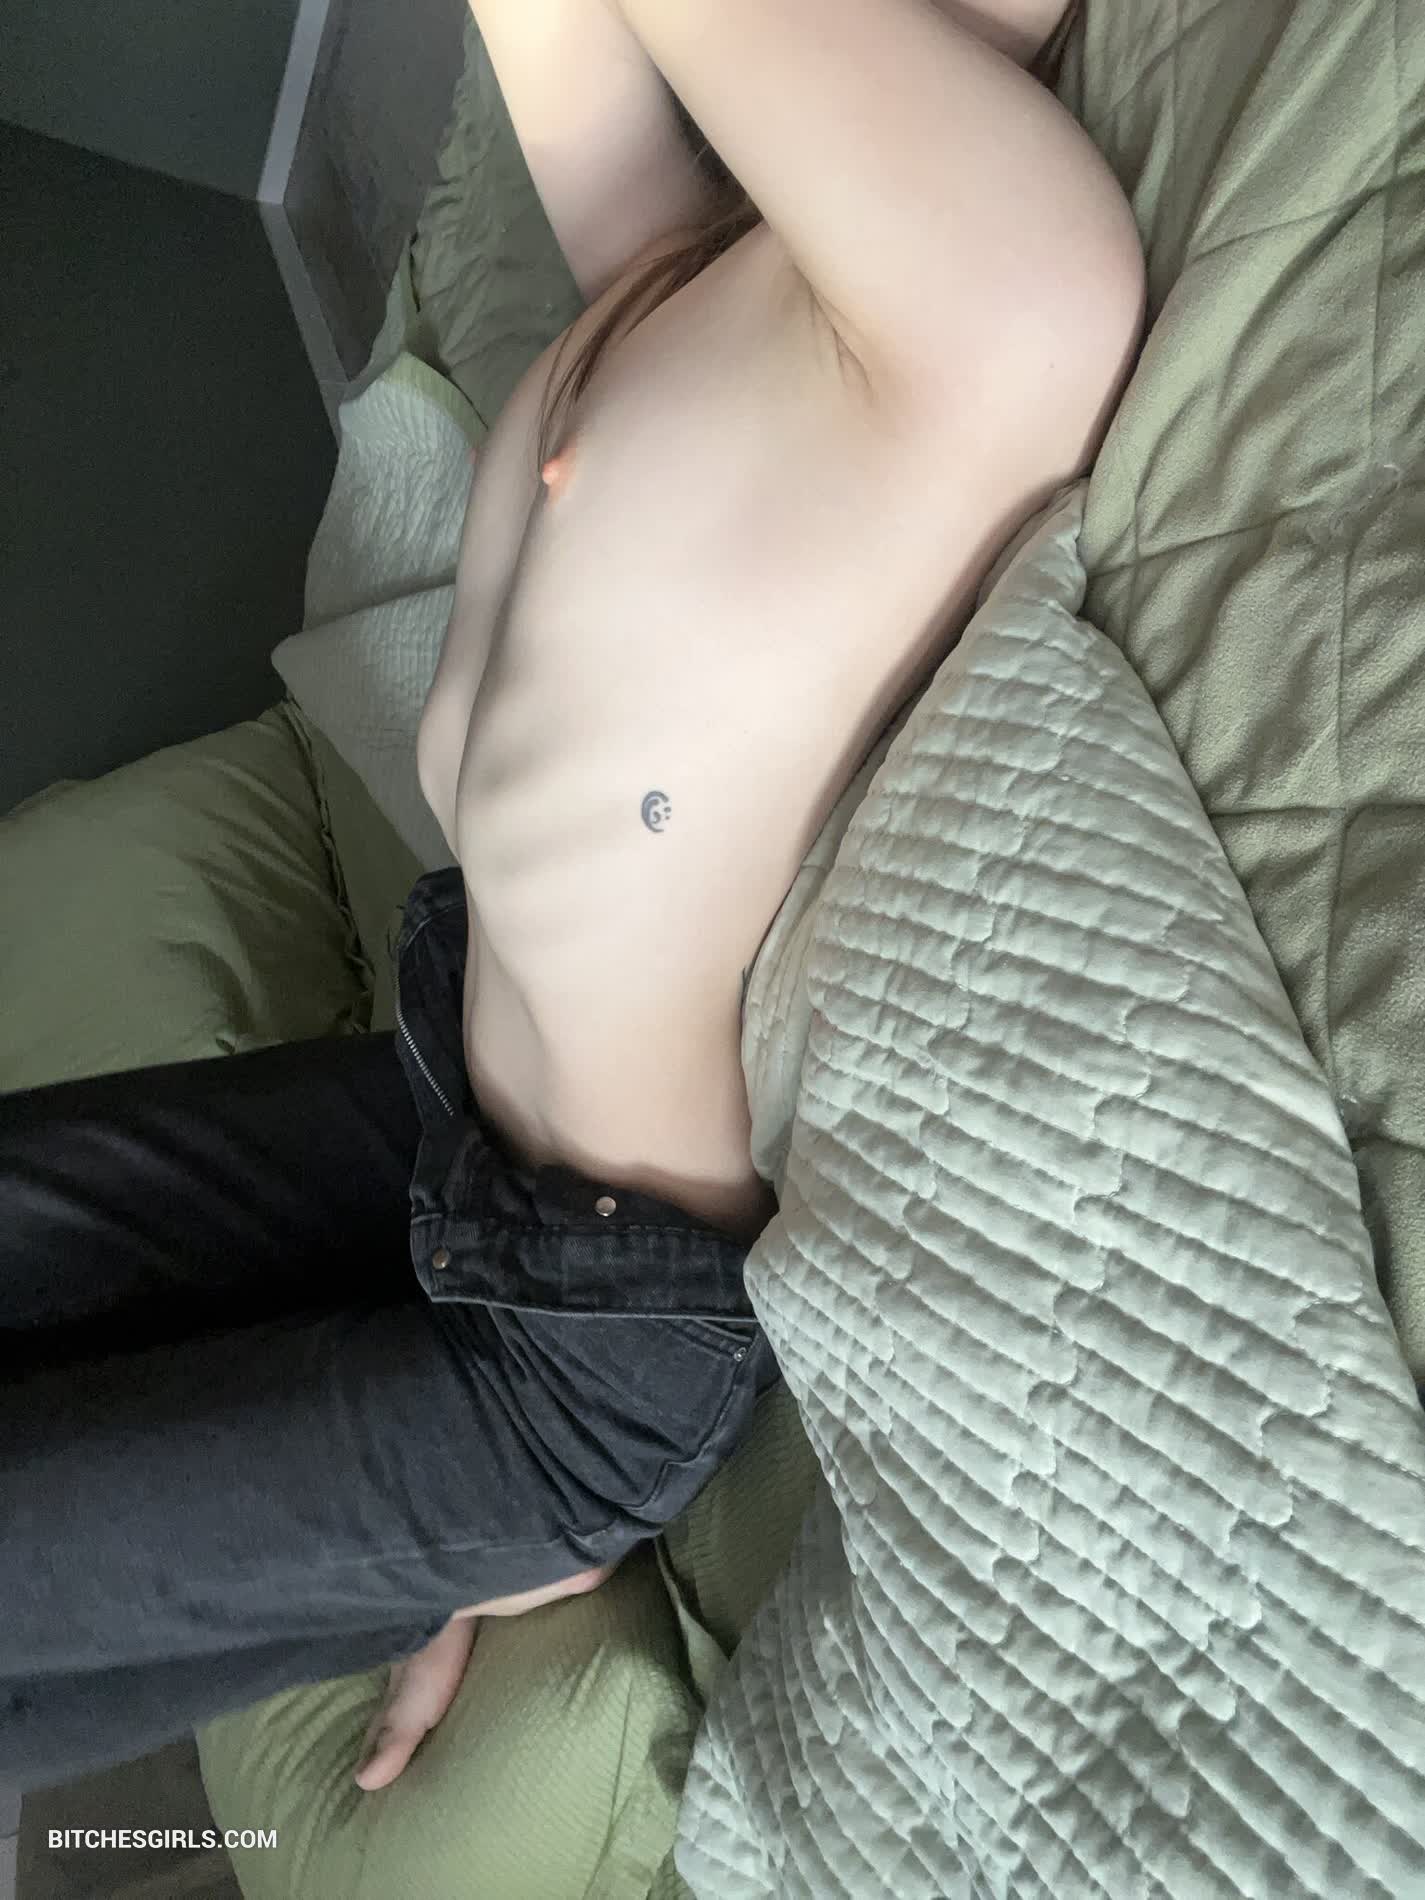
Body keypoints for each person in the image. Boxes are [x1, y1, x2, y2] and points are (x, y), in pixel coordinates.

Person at [0, 0, 1142, 1798]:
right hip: (419, 1117)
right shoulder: (686, 281)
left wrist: (427, 1529)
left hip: (564, 1357)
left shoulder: (1010, 293)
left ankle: (455, 1532)